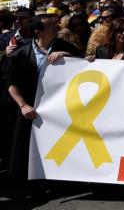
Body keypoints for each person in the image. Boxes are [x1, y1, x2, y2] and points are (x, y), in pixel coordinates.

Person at [4, 14, 80, 182]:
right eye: (51, 26)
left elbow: (84, 66)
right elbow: (10, 82)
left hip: (57, 109)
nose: (56, 28)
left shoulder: (65, 47)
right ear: (38, 32)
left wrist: (67, 56)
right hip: (28, 107)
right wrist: (23, 105)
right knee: (24, 146)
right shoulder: (21, 54)